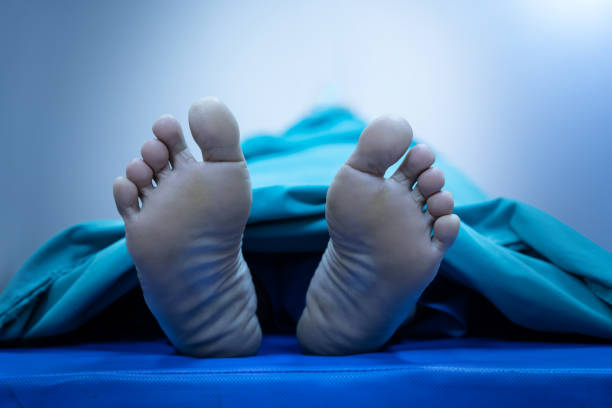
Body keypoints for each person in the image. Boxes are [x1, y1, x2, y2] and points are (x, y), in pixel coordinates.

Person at [112, 97, 460, 357]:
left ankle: (203, 308)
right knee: (428, 261)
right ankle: (389, 311)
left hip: (255, 242)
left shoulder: (266, 148)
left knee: (260, 270)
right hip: (337, 252)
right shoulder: (355, 147)